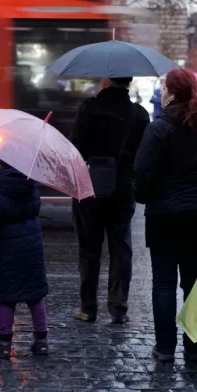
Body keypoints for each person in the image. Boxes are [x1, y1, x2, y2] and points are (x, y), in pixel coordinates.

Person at [71, 77, 150, 324]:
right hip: (123, 188)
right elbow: (143, 155)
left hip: (90, 185)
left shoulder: (88, 108)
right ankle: (118, 308)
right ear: (128, 81)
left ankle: (88, 308)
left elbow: (75, 149)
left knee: (89, 248)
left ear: (106, 80)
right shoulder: (139, 114)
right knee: (121, 247)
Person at [134, 68, 197, 362]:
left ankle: (165, 349)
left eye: (163, 88)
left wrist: (143, 196)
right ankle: (194, 347)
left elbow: (143, 174)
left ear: (172, 93)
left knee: (163, 283)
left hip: (163, 217)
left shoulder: (158, 129)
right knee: (193, 285)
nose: (161, 93)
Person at [0, 158, 48, 358]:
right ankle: (41, 342)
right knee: (36, 295)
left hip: (7, 250)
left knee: (6, 297)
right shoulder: (30, 184)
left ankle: (4, 345)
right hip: (32, 247)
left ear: (3, 164)